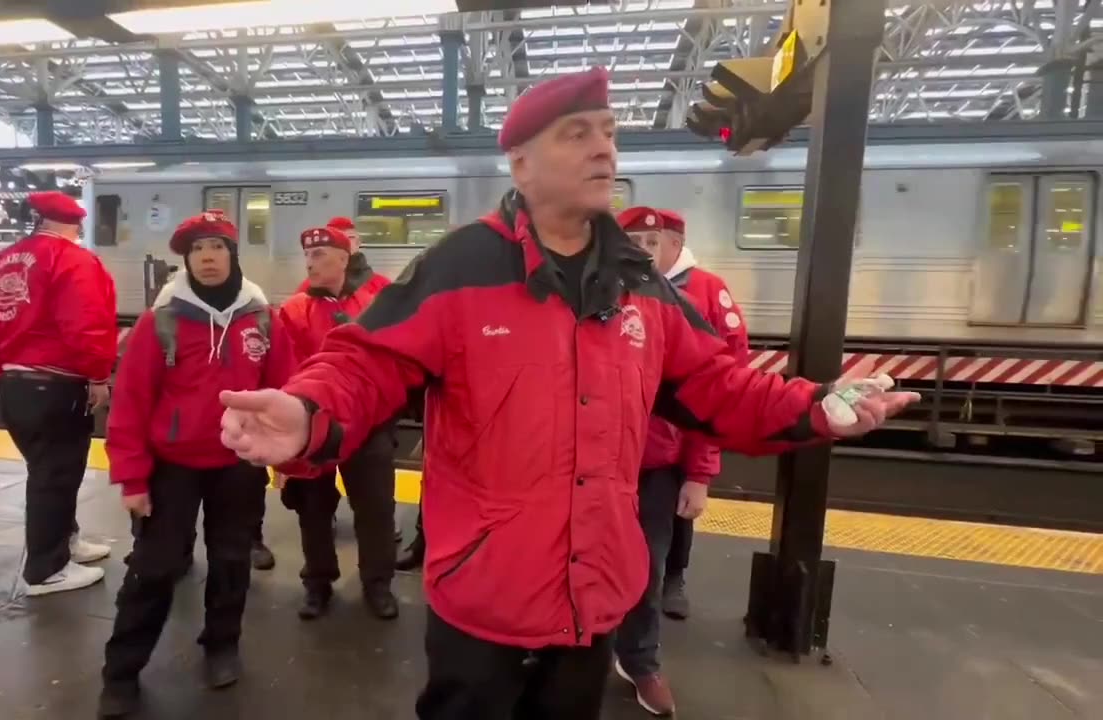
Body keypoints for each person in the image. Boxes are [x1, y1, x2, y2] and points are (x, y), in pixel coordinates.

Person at [217, 67, 919, 720]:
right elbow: (366, 363)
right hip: (483, 597)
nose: (604, 150)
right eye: (578, 133)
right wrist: (309, 412)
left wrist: (816, 405)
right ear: (521, 164)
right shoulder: (463, 264)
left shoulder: (639, 283)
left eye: (609, 132)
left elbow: (718, 388)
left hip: (594, 597)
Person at [97, 211, 295, 718]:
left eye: (217, 247)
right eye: (197, 249)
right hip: (172, 465)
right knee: (155, 567)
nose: (208, 257)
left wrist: (289, 455)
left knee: (232, 561)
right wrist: (132, 478)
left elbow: (286, 391)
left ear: (233, 254)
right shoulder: (159, 320)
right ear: (186, 260)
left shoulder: (264, 319)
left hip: (239, 462)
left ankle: (222, 645)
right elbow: (131, 403)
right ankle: (121, 671)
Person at [610, 206, 750, 716]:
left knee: (645, 567)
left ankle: (639, 660)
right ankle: (567, 650)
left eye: (654, 241)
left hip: (657, 459)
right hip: (595, 459)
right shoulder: (600, 284)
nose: (644, 250)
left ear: (674, 243)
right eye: (635, 240)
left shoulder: (704, 294)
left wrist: (699, 473)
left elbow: (721, 392)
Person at [0, 190, 117, 597]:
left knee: (50, 472)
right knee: (55, 476)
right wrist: (98, 374)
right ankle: (46, 569)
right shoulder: (74, 260)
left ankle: (65, 543)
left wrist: (3, 368)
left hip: (15, 383)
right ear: (73, 224)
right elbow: (85, 322)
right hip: (56, 383)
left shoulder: (4, 259)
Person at [277, 225, 400, 621]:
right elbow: (288, 368)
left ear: (344, 259)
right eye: (308, 257)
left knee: (376, 507)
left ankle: (377, 583)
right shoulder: (296, 309)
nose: (310, 264)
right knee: (313, 509)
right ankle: (317, 583)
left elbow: (395, 355)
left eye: (320, 256)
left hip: (370, 425)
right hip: (315, 429)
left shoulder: (380, 298)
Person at [294, 216, 391, 295]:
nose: (347, 243)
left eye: (351, 238)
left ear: (358, 242)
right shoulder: (309, 288)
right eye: (340, 239)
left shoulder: (382, 285)